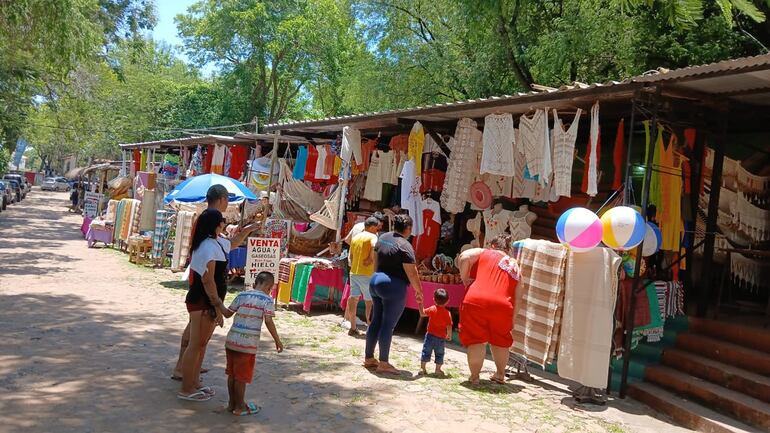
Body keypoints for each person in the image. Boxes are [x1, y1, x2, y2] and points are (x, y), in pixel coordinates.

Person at [172, 185, 260, 381]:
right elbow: (208, 277)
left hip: (203, 288)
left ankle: (188, 368)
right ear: (221, 198)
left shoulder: (209, 225)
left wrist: (245, 230)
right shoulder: (209, 223)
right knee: (198, 341)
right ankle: (187, 373)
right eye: (227, 199)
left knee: (196, 338)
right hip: (203, 291)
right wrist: (219, 306)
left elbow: (230, 244)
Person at [177, 209, 231, 401]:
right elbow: (208, 280)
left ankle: (192, 383)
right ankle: (186, 388)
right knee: (195, 344)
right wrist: (218, 307)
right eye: (222, 221)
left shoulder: (209, 244)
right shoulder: (208, 246)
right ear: (216, 224)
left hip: (203, 301)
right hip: (202, 301)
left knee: (199, 344)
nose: (224, 224)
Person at [363, 214, 423, 375]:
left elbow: (376, 261)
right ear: (408, 228)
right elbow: (412, 272)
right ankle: (384, 362)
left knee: (375, 320)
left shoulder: (383, 237)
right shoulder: (405, 245)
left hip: (375, 281)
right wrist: (419, 291)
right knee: (387, 325)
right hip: (393, 286)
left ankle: (369, 358)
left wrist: (376, 278)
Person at [456, 234, 519, 385]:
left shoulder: (484, 252)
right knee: (501, 340)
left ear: (492, 245)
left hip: (475, 300)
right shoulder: (514, 265)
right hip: (503, 305)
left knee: (476, 339)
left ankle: (475, 377)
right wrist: (513, 319)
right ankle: (500, 374)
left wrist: (464, 278)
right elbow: (519, 294)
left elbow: (464, 256)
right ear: (508, 249)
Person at [222, 271, 284, 416]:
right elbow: (268, 321)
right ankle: (240, 407)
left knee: (231, 375)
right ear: (269, 286)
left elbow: (227, 313)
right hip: (247, 344)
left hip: (231, 341)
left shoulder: (241, 295)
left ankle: (231, 404)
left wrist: (218, 303)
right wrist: (277, 339)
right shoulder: (267, 301)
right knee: (241, 378)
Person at [346, 217, 379, 336]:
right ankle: (370, 325)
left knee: (353, 298)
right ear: (371, 227)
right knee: (369, 301)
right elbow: (375, 247)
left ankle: (353, 326)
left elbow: (351, 255)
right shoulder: (373, 237)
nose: (377, 230)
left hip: (354, 271)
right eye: (376, 227)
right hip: (367, 273)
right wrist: (370, 258)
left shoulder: (355, 238)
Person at [418, 288, 452, 376]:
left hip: (429, 336)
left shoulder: (432, 309)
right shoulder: (447, 313)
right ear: (447, 301)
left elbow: (422, 313)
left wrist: (420, 303)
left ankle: (422, 368)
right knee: (440, 353)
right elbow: (449, 326)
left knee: (426, 351)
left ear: (434, 299)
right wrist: (449, 335)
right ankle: (437, 370)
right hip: (441, 338)